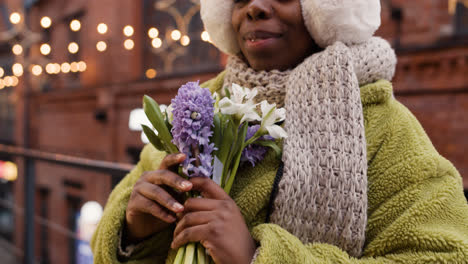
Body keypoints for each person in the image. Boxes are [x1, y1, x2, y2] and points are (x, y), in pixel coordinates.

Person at [91, 0, 468, 263]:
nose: (254, 7)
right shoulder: (199, 105)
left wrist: (259, 256)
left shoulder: (382, 125)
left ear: (327, 10)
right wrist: (132, 231)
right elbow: (112, 242)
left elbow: (443, 254)